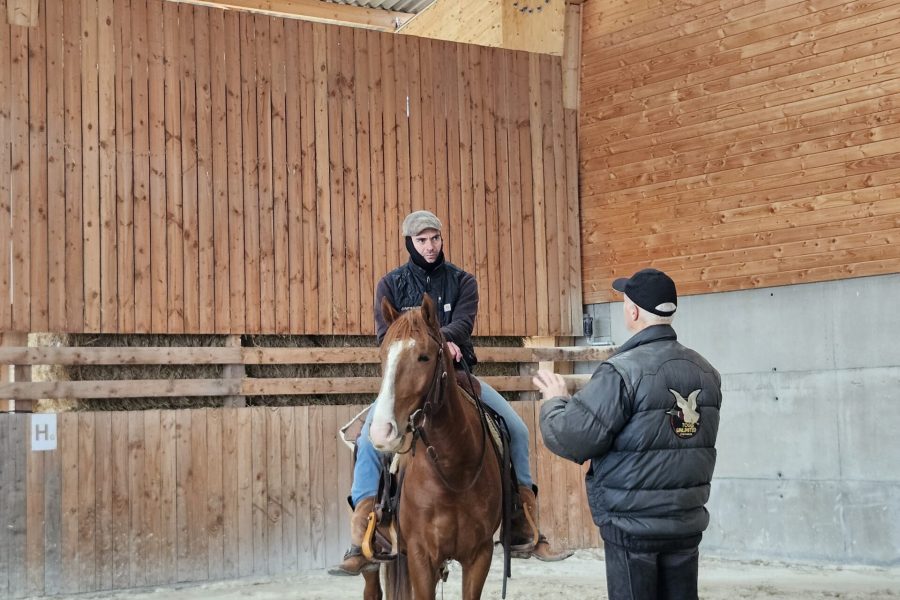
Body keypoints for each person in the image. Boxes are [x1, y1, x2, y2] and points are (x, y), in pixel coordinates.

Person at [329, 210, 572, 576]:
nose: (430, 246)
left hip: (456, 375)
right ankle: (364, 531)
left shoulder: (462, 281)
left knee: (516, 431)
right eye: (422, 240)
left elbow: (463, 322)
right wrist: (426, 345)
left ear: (442, 239)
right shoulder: (390, 284)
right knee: (367, 439)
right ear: (410, 242)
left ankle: (522, 521)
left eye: (435, 239)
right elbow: (387, 334)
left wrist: (449, 341)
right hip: (409, 378)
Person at [534, 268, 722, 600]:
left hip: (633, 529)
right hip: (686, 523)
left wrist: (554, 401)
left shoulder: (621, 371)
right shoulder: (706, 371)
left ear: (632, 312)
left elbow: (574, 437)